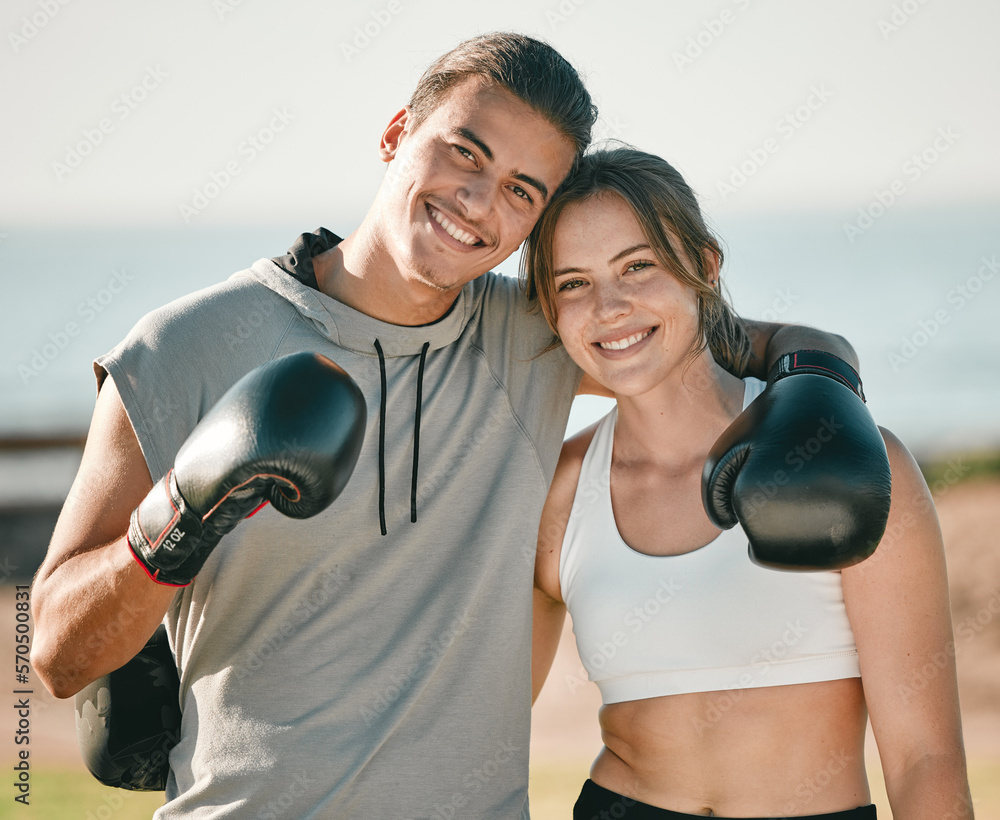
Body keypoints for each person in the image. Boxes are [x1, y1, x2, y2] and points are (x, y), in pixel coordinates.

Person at [31, 33, 873, 819]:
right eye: (464, 152)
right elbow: (59, 655)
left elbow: (709, 333)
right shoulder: (184, 345)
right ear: (398, 132)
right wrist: (186, 509)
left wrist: (822, 379)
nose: (477, 201)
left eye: (520, 191)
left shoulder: (532, 338)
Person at [527, 147, 973, 819]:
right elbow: (481, 723)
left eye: (638, 266)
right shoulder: (557, 491)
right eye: (572, 284)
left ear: (703, 267)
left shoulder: (849, 466)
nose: (609, 307)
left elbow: (923, 760)